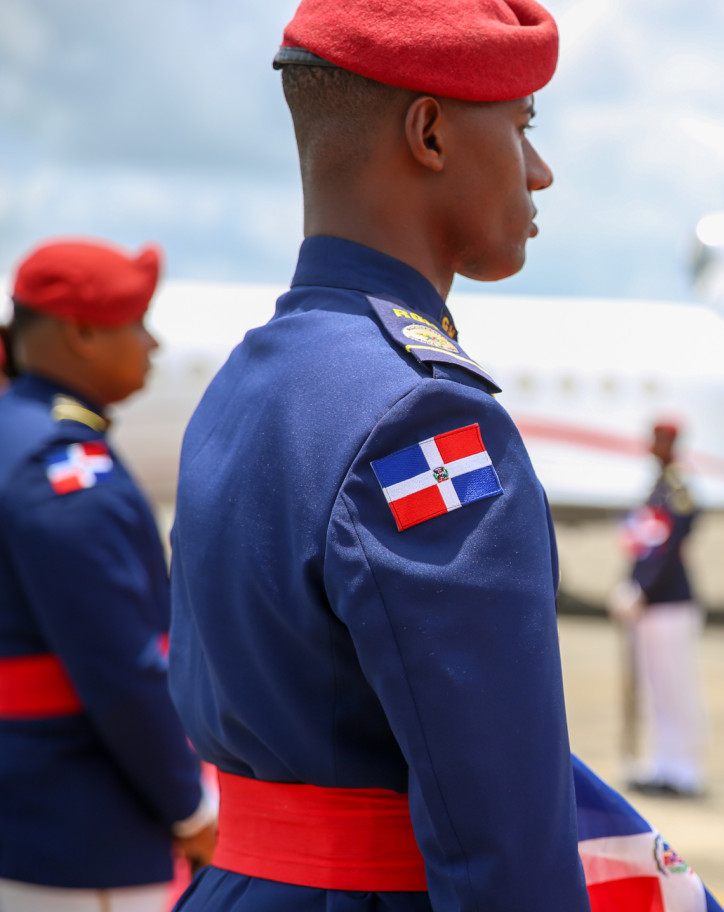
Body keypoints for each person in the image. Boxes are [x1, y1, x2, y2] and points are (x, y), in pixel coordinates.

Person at [167, 1, 593, 909]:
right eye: (521, 126)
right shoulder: (423, 418)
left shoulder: (246, 380)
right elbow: (502, 830)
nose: (541, 171)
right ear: (429, 133)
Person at [0, 239, 215, 911]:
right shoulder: (61, 466)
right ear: (83, 333)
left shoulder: (19, 433)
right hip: (75, 826)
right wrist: (189, 806)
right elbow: (119, 666)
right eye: (137, 322)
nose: (153, 344)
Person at [608, 420, 706, 797]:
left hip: (669, 601)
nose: (656, 445)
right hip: (652, 604)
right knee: (656, 688)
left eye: (663, 439)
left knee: (676, 687)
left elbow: (668, 548)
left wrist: (641, 590)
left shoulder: (677, 489)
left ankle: (686, 769)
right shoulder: (658, 486)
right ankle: (663, 763)